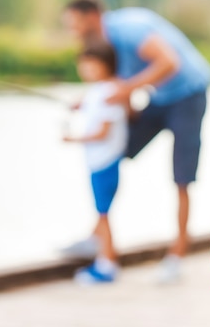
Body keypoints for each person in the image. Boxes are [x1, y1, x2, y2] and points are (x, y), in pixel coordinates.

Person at [64, 0, 210, 283]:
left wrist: (127, 89)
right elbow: (120, 93)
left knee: (181, 177)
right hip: (160, 98)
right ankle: (99, 236)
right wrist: (93, 102)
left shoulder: (128, 29)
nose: (73, 32)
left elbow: (170, 63)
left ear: (92, 17)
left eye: (75, 25)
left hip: (189, 96)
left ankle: (177, 255)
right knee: (114, 149)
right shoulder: (106, 45)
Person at [62, 38, 128, 283]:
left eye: (91, 65)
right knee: (101, 213)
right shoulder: (98, 91)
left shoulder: (110, 92)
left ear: (105, 65)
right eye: (83, 65)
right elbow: (91, 104)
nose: (85, 70)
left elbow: (103, 132)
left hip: (106, 164)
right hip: (98, 163)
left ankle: (107, 265)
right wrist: (80, 106)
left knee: (103, 214)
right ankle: (106, 255)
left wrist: (73, 139)